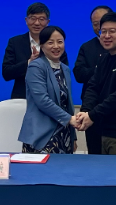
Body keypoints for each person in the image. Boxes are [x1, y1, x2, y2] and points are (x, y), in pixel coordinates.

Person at [73, 5, 116, 154]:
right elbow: (93, 86)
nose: (106, 35)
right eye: (103, 31)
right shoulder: (105, 58)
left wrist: (91, 115)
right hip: (103, 127)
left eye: (112, 31)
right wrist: (85, 111)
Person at [18, 26, 79, 154]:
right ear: (42, 45)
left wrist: (73, 136)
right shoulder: (36, 66)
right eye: (50, 42)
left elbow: (67, 104)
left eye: (60, 42)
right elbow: (42, 101)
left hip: (64, 134)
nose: (56, 46)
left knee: (65, 167)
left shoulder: (65, 69)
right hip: (42, 135)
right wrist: (69, 119)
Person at [2, 2, 68, 99]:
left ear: (48, 22)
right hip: (22, 99)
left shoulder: (56, 45)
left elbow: (64, 74)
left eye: (41, 19)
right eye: (33, 18)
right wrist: (29, 62)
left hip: (51, 99)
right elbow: (6, 73)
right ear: (26, 20)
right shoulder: (15, 42)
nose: (37, 23)